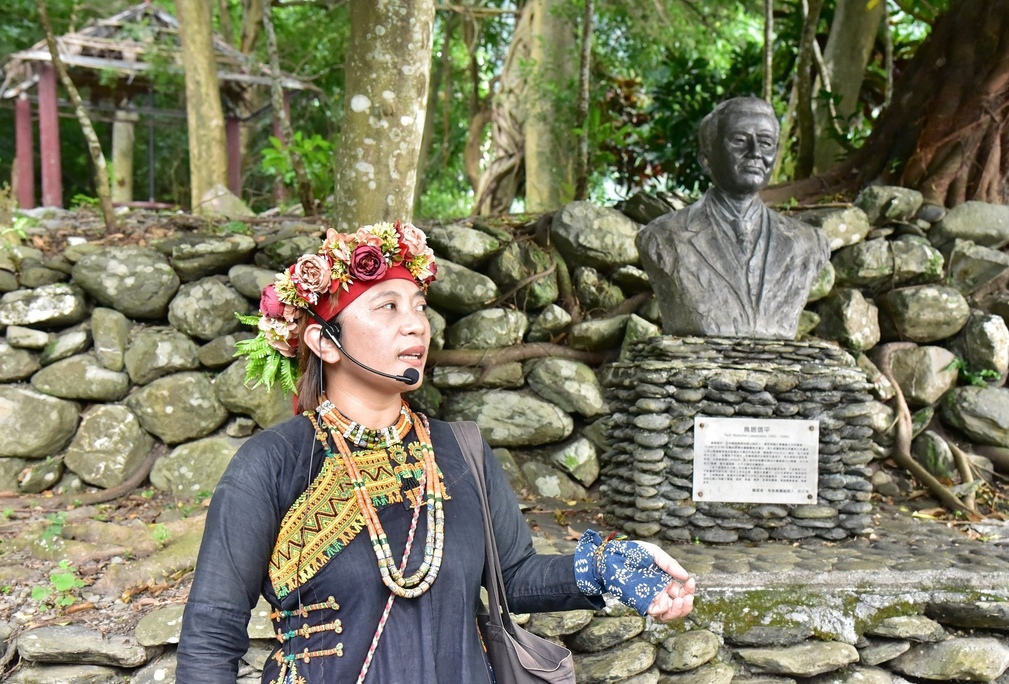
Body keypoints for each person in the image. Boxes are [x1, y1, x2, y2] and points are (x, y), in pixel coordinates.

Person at [177, 221, 696, 684]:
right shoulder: (273, 463)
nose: (416, 324)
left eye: (420, 307)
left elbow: (515, 577)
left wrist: (611, 565)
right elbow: (212, 631)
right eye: (388, 306)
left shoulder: (459, 450)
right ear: (325, 342)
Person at [636, 97, 830, 339]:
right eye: (739, 141)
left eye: (766, 143)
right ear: (706, 160)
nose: (755, 153)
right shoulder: (662, 237)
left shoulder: (809, 243)